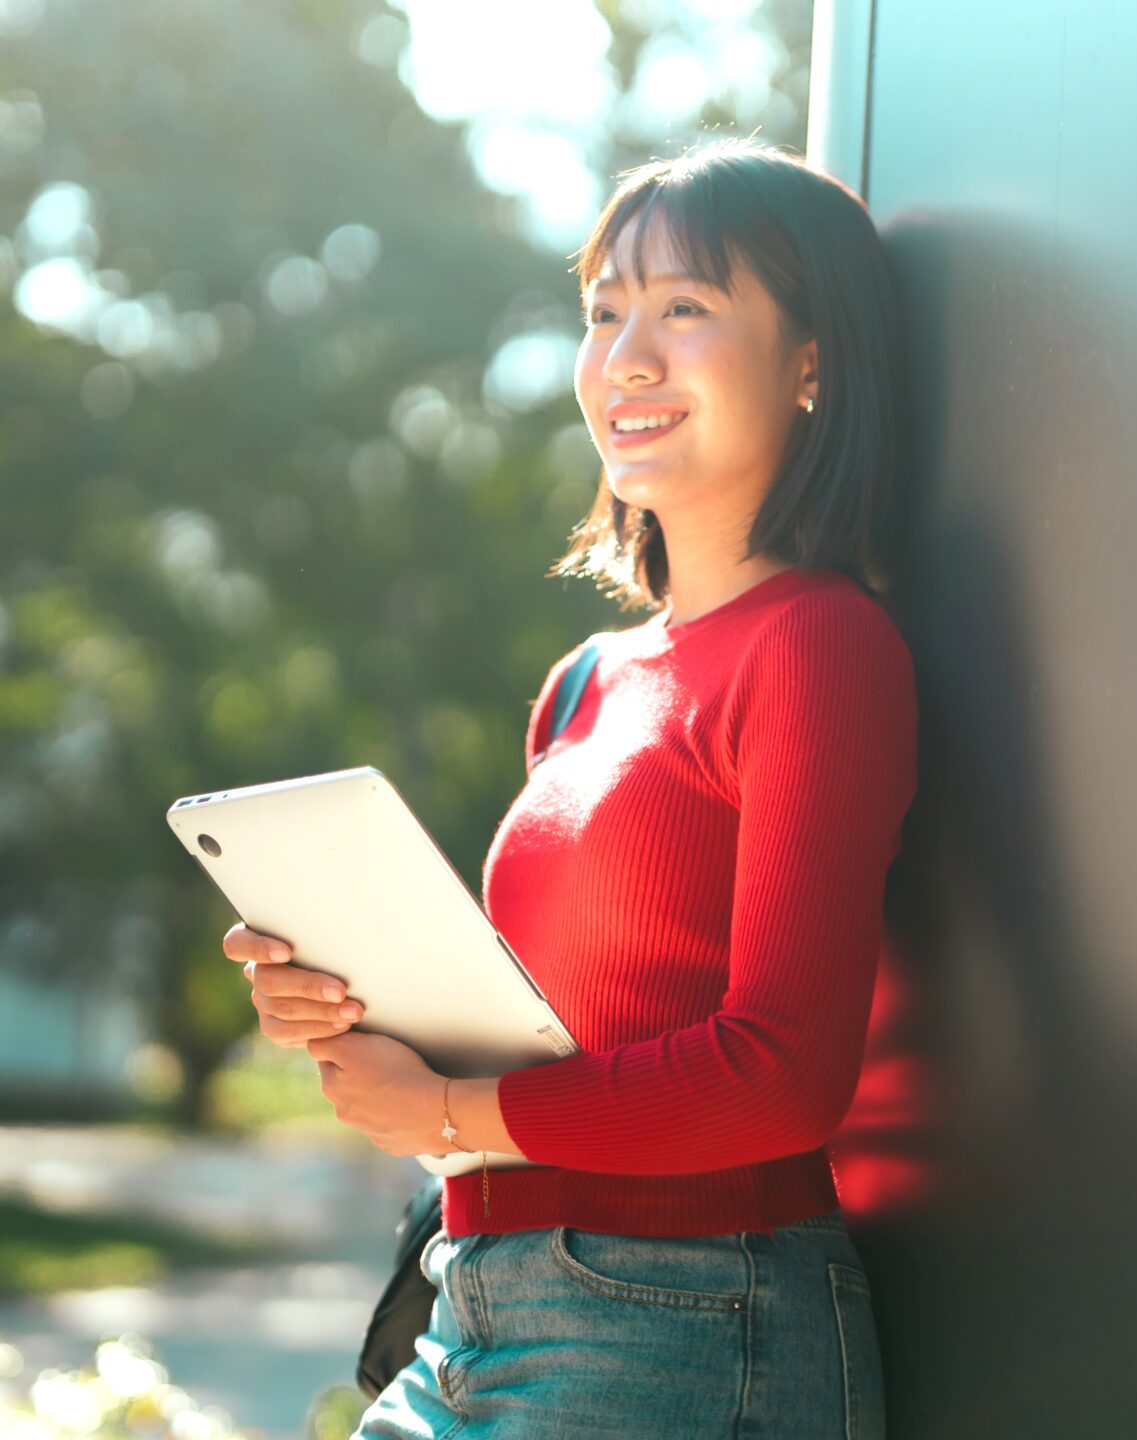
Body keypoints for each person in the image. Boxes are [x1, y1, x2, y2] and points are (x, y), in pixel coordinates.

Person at [220, 137, 915, 1439]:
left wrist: (442, 1106)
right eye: (605, 312)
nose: (626, 356)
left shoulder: (818, 645)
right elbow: (571, 1052)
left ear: (813, 360)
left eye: (688, 307)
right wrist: (358, 1021)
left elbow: (779, 1077)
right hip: (480, 1299)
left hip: (691, 1321)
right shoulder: (587, 680)